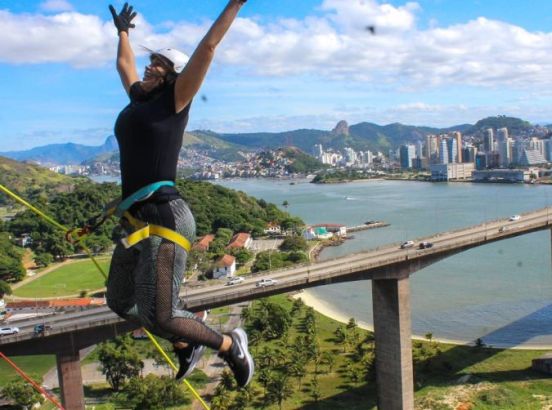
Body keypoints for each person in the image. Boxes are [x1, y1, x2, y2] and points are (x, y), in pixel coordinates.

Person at [106, 1, 254, 387]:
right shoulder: (139, 99)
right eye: (150, 60)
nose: (150, 66)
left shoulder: (174, 102)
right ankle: (186, 339)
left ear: (173, 76)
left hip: (166, 217)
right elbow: (125, 67)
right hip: (135, 219)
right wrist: (123, 32)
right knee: (121, 303)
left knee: (162, 314)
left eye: (158, 63)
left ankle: (229, 343)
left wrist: (235, 4)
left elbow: (207, 49)